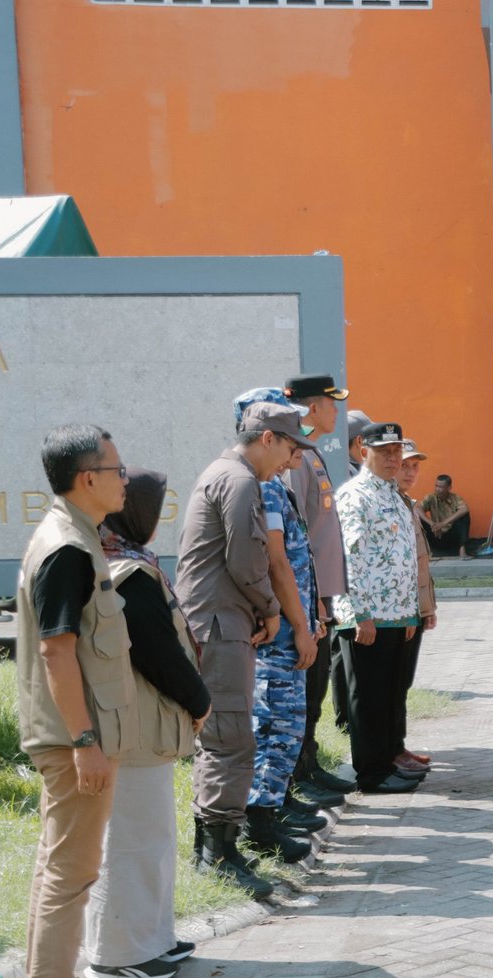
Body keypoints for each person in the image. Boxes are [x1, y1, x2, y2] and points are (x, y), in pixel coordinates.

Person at [14, 425, 140, 978]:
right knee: (71, 869)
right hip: (73, 739)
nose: (126, 477)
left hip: (74, 734)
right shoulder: (68, 547)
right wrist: (85, 740)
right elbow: (57, 653)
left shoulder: (76, 535)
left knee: (60, 865)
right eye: (117, 468)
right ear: (87, 478)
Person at [176, 401, 316, 900]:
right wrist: (272, 609)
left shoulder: (230, 475)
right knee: (230, 735)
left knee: (226, 734)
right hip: (220, 624)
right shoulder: (238, 481)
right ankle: (218, 853)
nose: (290, 459)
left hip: (222, 620)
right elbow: (246, 558)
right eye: (290, 446)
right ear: (267, 439)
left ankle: (215, 846)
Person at [82, 469, 208, 978]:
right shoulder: (126, 572)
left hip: (141, 724)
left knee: (152, 836)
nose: (157, 518)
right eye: (152, 507)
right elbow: (158, 653)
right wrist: (199, 699)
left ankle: (152, 939)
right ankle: (117, 956)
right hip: (130, 726)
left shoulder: (121, 559)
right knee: (131, 841)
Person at [234, 388, 323, 864]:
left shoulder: (270, 481)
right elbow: (276, 564)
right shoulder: (263, 485)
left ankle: (271, 811)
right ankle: (260, 823)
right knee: (275, 726)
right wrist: (301, 626)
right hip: (281, 633)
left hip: (294, 623)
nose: (293, 455)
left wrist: (312, 617)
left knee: (287, 726)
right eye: (289, 442)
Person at [333, 421, 424, 794]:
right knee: (368, 696)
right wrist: (360, 614)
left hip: (396, 614)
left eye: (396, 451)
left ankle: (387, 761)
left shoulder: (393, 493)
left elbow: (402, 557)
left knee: (389, 693)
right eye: (384, 451)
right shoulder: (356, 495)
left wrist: (410, 612)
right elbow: (350, 557)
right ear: (363, 449)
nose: (392, 458)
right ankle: (370, 773)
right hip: (368, 616)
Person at [283, 374, 358, 803]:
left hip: (320, 597)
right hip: (308, 598)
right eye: (332, 404)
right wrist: (311, 603)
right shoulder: (295, 458)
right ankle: (296, 775)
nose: (336, 412)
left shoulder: (308, 452)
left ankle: (308, 763)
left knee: (315, 690)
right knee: (304, 691)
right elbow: (296, 537)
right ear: (313, 407)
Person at [395, 440, 437, 775]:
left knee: (402, 680)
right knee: (391, 684)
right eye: (404, 464)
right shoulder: (389, 504)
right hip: (395, 609)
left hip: (413, 607)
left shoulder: (408, 503)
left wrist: (427, 608)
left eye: (414, 466)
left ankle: (397, 745)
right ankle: (391, 749)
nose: (410, 472)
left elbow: (420, 563)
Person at [421, 474, 471, 558]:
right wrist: (431, 524)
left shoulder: (455, 498)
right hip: (435, 535)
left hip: (451, 538)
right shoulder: (430, 497)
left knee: (464, 515)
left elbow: (464, 509)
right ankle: (424, 552)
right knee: (417, 517)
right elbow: (417, 508)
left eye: (441, 487)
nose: (437, 489)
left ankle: (462, 550)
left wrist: (443, 523)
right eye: (436, 486)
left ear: (449, 488)